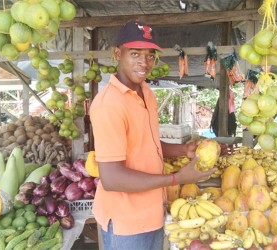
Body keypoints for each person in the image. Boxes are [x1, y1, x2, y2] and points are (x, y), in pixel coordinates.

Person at [89, 20, 216, 250]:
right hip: (126, 223)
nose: (144, 62)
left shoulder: (147, 93)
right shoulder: (108, 105)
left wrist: (182, 150)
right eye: (135, 53)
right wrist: (177, 179)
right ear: (118, 53)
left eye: (150, 55)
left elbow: (146, 143)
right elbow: (112, 178)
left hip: (153, 213)